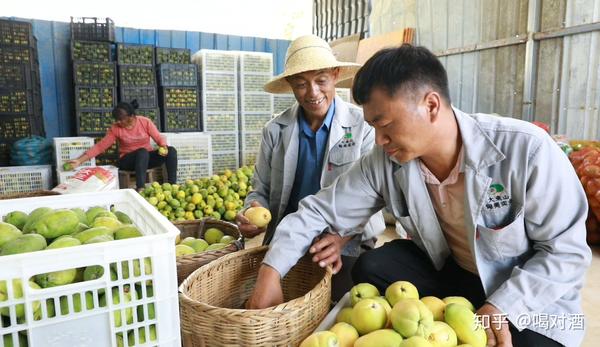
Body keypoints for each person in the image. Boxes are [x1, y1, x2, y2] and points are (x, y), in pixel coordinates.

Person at [246, 45, 592, 346]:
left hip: (522, 288)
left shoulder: (526, 150)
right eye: (373, 127)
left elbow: (567, 253)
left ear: (430, 105)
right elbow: (319, 211)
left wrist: (503, 306)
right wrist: (271, 273)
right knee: (373, 265)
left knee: (528, 339)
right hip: (455, 271)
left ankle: (485, 313)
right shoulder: (384, 160)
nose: (379, 140)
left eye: (385, 124)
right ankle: (452, 315)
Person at [236, 34, 385, 301]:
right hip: (288, 240)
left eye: (321, 80)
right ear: (291, 85)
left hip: (344, 242)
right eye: (301, 84)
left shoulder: (363, 126)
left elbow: (371, 195)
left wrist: (342, 238)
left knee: (338, 308)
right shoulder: (275, 131)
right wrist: (253, 211)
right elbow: (260, 190)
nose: (313, 92)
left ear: (336, 75)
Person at [68, 100, 178, 189]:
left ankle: (173, 185)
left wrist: (163, 145)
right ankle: (141, 188)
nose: (118, 122)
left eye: (121, 119)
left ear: (131, 117)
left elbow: (158, 137)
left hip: (145, 159)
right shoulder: (116, 128)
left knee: (171, 150)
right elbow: (100, 146)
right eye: (117, 120)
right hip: (127, 161)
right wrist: (79, 160)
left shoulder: (144, 122)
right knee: (142, 152)